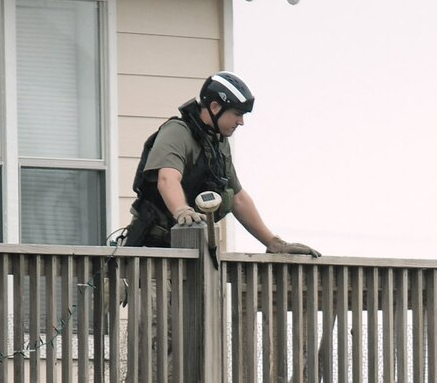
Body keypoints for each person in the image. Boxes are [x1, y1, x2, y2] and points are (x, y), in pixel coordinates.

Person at [124, 71, 319, 256]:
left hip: (191, 251)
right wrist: (182, 211)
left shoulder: (217, 144)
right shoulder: (177, 132)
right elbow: (167, 179)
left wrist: (274, 243)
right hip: (150, 250)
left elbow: (238, 198)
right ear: (215, 107)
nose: (241, 122)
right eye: (237, 114)